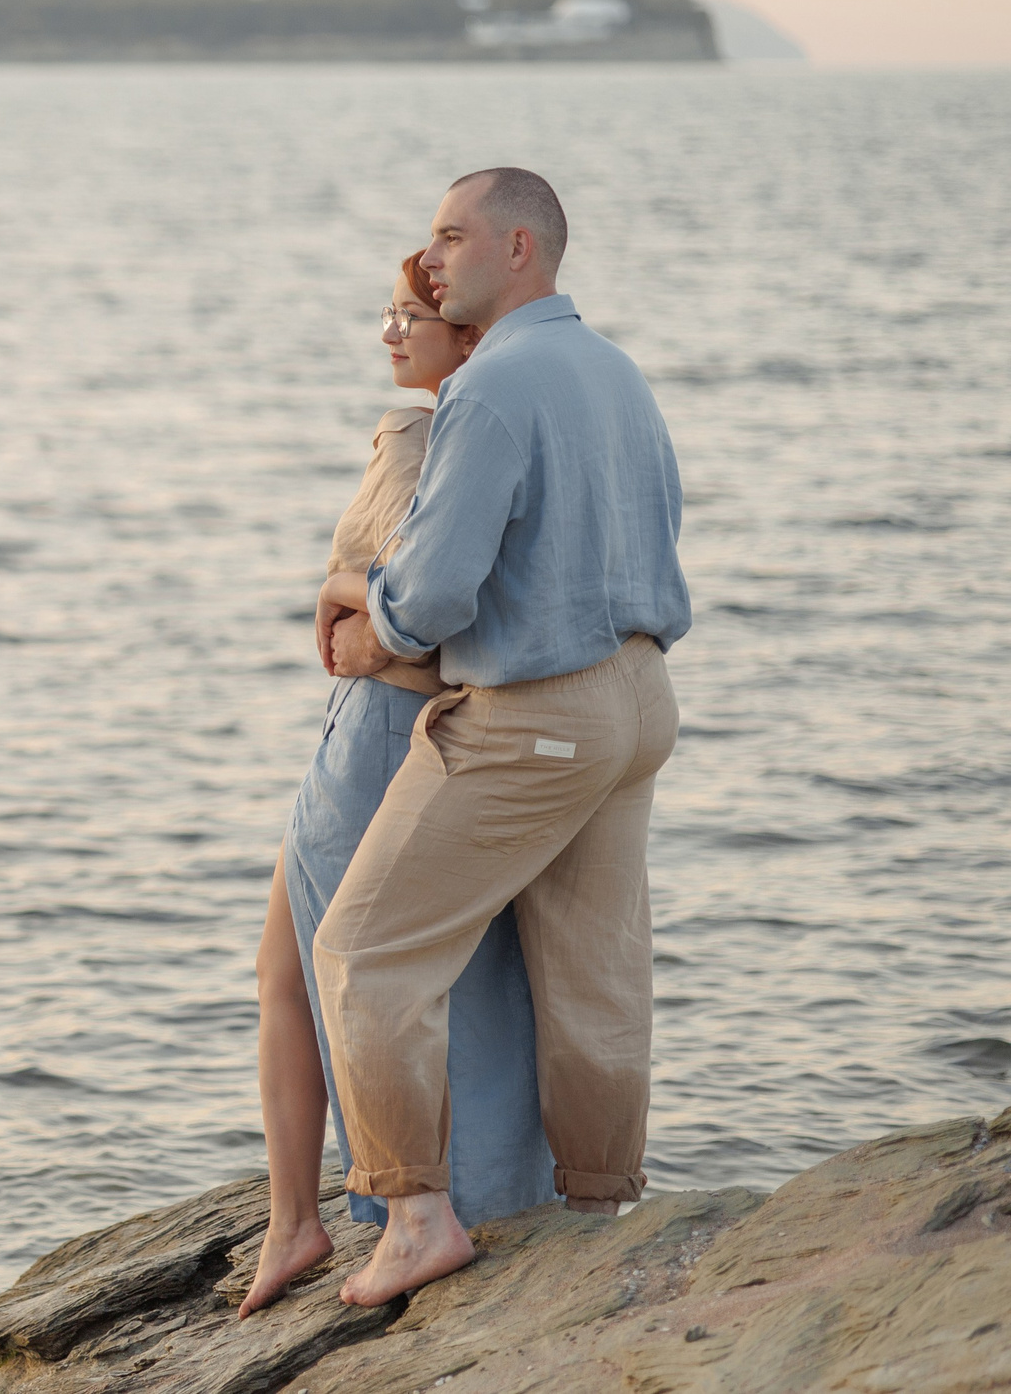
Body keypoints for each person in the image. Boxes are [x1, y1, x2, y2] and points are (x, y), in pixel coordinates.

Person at [310, 167, 693, 1308]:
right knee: (595, 972)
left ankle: (416, 1218)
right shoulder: (615, 370)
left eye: (450, 236)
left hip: (537, 717)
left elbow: (431, 595)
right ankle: (598, 1210)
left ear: (520, 248)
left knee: (361, 953)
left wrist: (358, 606)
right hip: (640, 698)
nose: (431, 261)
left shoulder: (488, 388)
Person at [238, 255, 555, 1319]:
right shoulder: (466, 436)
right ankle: (304, 1217)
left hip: (377, 735)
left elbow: (399, 616)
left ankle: (355, 1215)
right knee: (304, 970)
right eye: (389, 311)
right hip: (384, 728)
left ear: (466, 335)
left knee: (338, 977)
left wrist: (338, 596)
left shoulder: (422, 438)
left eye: (411, 314)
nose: (390, 331)